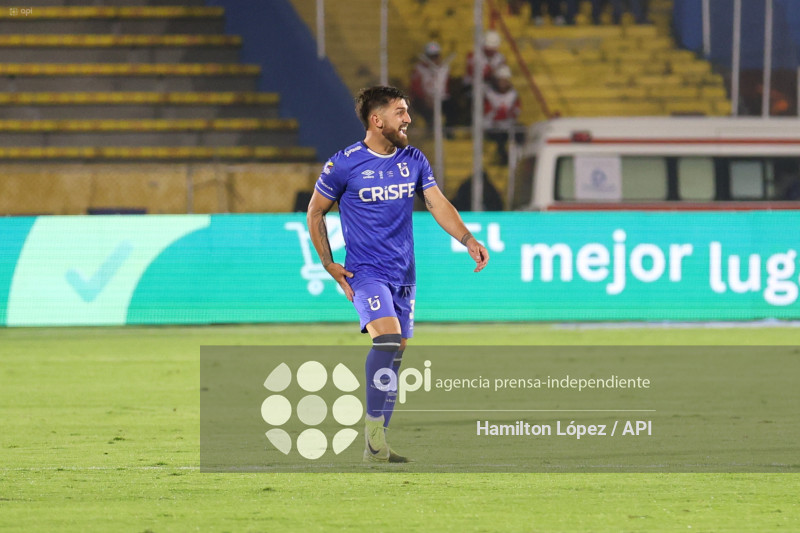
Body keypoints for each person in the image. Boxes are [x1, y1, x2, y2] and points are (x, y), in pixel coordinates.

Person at [306, 86, 489, 463]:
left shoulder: (413, 159)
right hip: (365, 270)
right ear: (377, 120)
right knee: (387, 341)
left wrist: (467, 238)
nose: (408, 119)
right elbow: (315, 211)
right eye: (400, 112)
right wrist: (328, 262)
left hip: (404, 272)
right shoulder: (344, 164)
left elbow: (436, 203)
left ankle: (376, 446)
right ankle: (373, 432)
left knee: (397, 353)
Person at [483, 64, 522, 165]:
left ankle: (519, 157)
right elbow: (486, 112)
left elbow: (516, 111)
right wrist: (498, 114)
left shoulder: (513, 94)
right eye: (501, 80)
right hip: (492, 126)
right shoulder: (488, 94)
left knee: (521, 132)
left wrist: (509, 114)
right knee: (499, 137)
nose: (504, 83)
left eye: (506, 80)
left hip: (507, 125)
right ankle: (503, 158)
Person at [408, 41, 451, 129]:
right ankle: (430, 131)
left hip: (441, 98)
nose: (434, 59)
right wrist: (426, 98)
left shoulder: (444, 69)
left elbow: (446, 88)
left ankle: (449, 131)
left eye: (436, 56)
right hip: (424, 99)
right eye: (431, 57)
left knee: (452, 106)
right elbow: (415, 88)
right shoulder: (419, 69)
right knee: (426, 109)